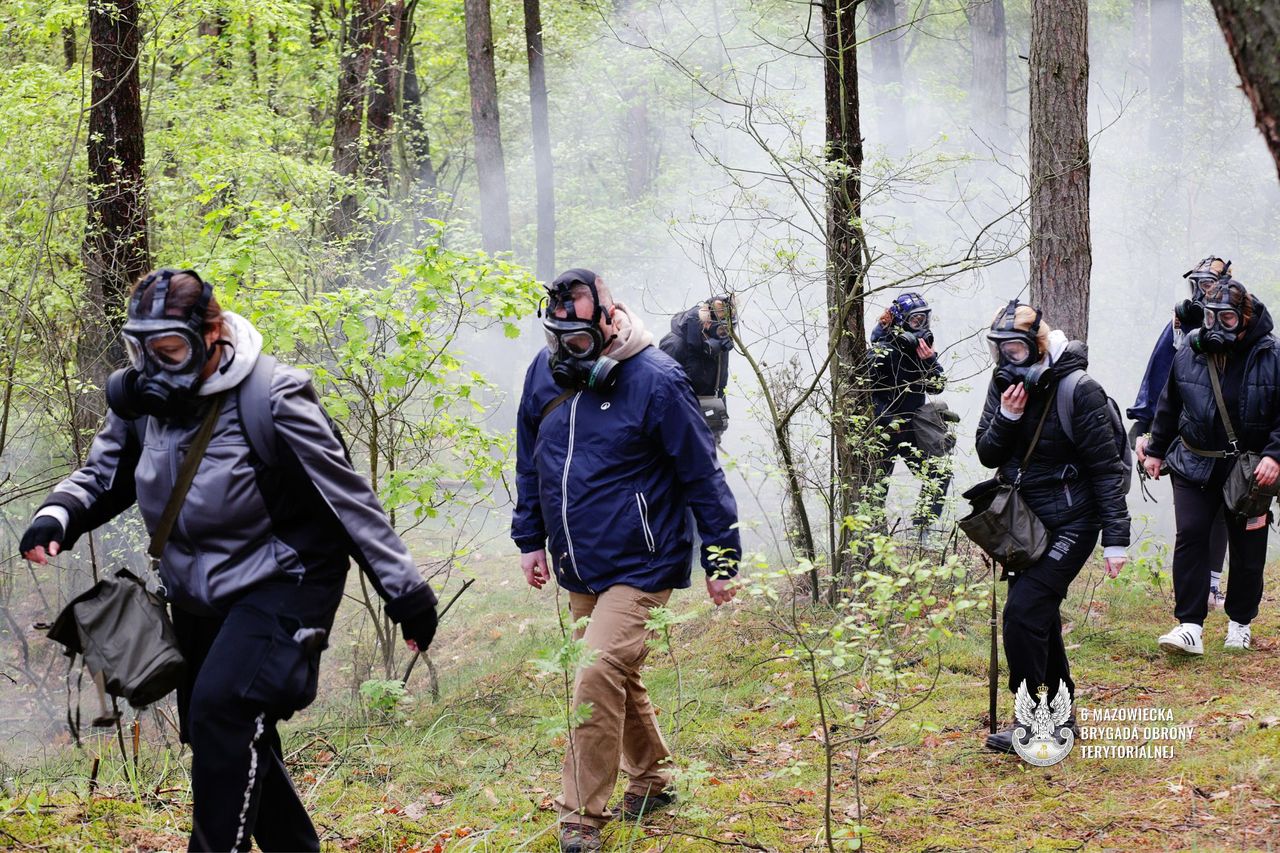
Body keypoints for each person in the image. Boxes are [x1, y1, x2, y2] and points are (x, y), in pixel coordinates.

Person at [18, 269, 438, 851]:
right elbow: (104, 473)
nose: (154, 367)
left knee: (224, 712)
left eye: (170, 349)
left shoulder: (274, 396)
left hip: (286, 581)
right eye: (141, 350)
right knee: (219, 729)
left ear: (211, 335)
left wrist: (408, 595)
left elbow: (349, 502)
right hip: (198, 589)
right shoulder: (142, 404)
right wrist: (56, 516)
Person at [513, 269, 741, 853]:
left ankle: (581, 817)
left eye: (579, 340)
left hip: (645, 559)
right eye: (556, 336)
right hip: (579, 558)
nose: (566, 349)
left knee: (593, 673)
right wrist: (530, 537)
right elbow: (530, 459)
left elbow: (701, 471)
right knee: (615, 670)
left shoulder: (657, 379)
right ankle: (654, 777)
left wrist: (720, 557)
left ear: (608, 322)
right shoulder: (542, 373)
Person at [974, 301, 1130, 753]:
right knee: (1038, 616)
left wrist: (1115, 542)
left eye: (1016, 350)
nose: (1006, 359)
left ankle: (1036, 724)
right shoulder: (1002, 384)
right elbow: (987, 452)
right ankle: (1060, 716)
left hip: (1074, 522)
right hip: (1026, 522)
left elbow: (1105, 468)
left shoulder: (1080, 390)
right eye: (999, 349)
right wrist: (1008, 417)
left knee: (1022, 615)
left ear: (1037, 345)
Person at [1142, 280, 1280, 655]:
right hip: (1193, 461)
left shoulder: (1270, 354)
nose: (1218, 325)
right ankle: (1189, 625)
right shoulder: (1190, 348)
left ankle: (1240, 621)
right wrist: (1155, 448)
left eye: (1228, 317)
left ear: (1245, 317)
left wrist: (1274, 455)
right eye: (1210, 316)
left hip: (1249, 470)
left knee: (1248, 544)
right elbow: (1170, 400)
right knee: (1191, 534)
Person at [1130, 256, 1233, 608]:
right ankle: (1193, 590)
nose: (1201, 292)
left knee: (1220, 510)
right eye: (1198, 284)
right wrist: (1143, 425)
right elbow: (1160, 373)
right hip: (1181, 432)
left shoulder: (1239, 324)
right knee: (1190, 517)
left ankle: (1212, 586)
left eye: (1208, 284)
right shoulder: (1179, 323)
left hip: (1225, 436)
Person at [867, 293, 950, 537]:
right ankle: (872, 541)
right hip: (885, 433)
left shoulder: (919, 351)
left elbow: (936, 386)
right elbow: (865, 394)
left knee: (938, 475)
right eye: (916, 321)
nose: (922, 326)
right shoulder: (881, 351)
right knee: (875, 490)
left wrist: (930, 360)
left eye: (925, 320)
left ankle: (922, 531)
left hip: (912, 429)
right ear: (901, 321)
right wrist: (889, 421)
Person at [658, 295, 735, 444]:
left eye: (729, 327)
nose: (725, 334)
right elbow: (660, 393)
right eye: (722, 329)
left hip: (707, 416)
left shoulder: (720, 345)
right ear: (706, 323)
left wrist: (717, 428)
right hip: (678, 424)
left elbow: (720, 387)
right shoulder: (675, 345)